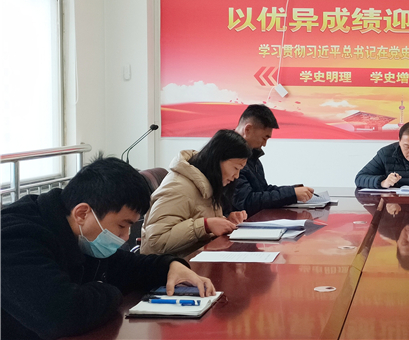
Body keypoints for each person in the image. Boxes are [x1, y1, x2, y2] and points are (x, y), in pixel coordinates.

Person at [1, 156, 215, 340]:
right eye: (122, 225)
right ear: (82, 213)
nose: (126, 236)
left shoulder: (78, 231)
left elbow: (128, 267)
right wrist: (110, 291)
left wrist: (171, 266)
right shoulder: (15, 238)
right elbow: (60, 315)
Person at [141, 129, 250, 255]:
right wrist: (205, 225)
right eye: (236, 168)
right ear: (217, 159)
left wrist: (226, 222)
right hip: (169, 265)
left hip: (193, 259)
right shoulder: (179, 188)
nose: (237, 176)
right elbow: (156, 241)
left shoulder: (206, 183)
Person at [232, 104, 314, 216]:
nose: (264, 144)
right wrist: (291, 194)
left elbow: (263, 190)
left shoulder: (252, 155)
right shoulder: (229, 155)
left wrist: (294, 190)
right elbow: (247, 202)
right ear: (248, 129)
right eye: (264, 138)